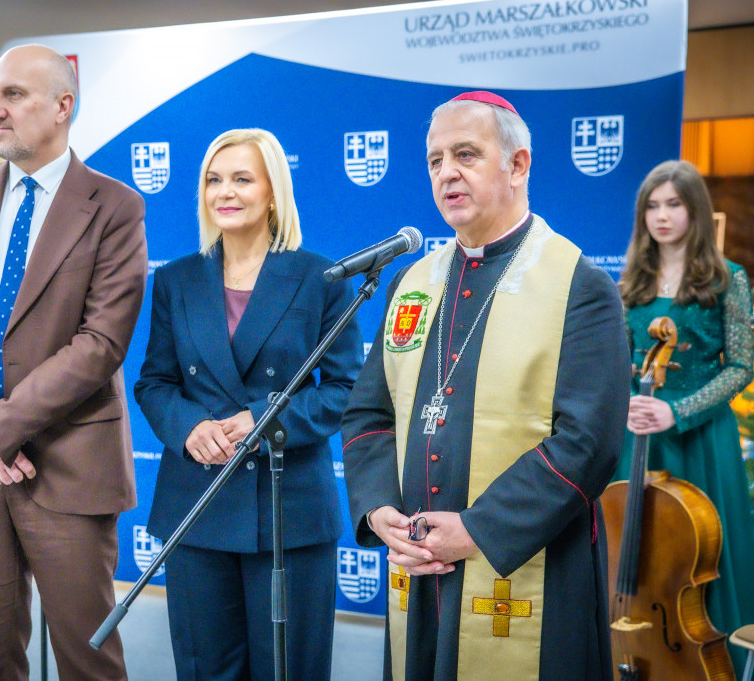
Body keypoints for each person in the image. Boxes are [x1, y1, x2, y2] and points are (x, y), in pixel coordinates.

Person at [341, 91, 631, 680]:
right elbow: (369, 413)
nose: (446, 172)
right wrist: (379, 509)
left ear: (518, 165)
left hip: (529, 564)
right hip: (421, 564)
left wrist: (478, 530)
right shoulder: (412, 282)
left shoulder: (578, 284)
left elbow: (589, 442)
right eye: (435, 159)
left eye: (466, 154)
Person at [0, 43, 147, 680]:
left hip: (68, 463)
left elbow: (101, 343)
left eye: (13, 94)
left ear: (63, 106)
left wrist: (1, 428)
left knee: (86, 658)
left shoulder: (115, 206)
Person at [134, 128, 362, 680]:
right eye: (214, 180)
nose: (225, 192)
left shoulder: (322, 278)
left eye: (242, 179)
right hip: (197, 507)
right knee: (205, 670)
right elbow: (155, 382)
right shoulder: (175, 280)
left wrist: (263, 420)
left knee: (289, 671)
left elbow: (345, 391)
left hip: (290, 512)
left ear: (273, 192)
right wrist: (189, 427)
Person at [614, 159, 754, 673]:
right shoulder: (632, 281)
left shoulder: (727, 278)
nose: (662, 216)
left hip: (699, 439)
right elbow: (619, 361)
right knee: (641, 557)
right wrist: (628, 400)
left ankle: (710, 665)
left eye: (673, 204)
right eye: (652, 206)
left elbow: (742, 365)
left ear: (694, 209)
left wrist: (677, 411)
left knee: (703, 563)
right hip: (640, 437)